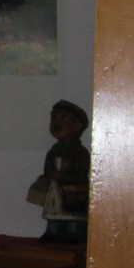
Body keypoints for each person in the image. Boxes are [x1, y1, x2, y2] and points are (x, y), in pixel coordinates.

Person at [29, 99, 91, 243]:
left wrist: (64, 176)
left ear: (76, 126)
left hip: (73, 194)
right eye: (54, 118)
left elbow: (82, 174)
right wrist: (46, 178)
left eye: (63, 118)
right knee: (54, 212)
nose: (57, 122)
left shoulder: (80, 152)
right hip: (56, 191)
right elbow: (48, 170)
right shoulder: (54, 150)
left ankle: (74, 233)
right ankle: (53, 231)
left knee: (73, 218)